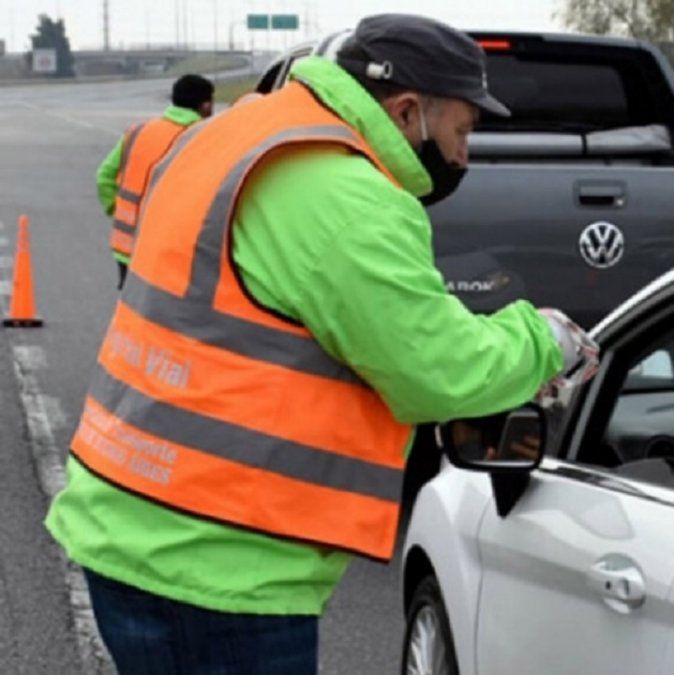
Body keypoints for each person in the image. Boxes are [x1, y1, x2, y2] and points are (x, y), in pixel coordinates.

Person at [46, 14, 596, 673]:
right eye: (462, 130)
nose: (463, 156)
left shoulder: (236, 133)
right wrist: (543, 339)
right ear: (407, 111)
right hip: (219, 567)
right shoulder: (346, 196)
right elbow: (439, 369)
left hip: (128, 521)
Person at [95, 74, 213, 289]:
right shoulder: (202, 138)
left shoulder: (138, 131)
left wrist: (117, 209)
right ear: (205, 105)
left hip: (128, 246)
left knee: (129, 305)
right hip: (169, 250)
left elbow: (104, 176)